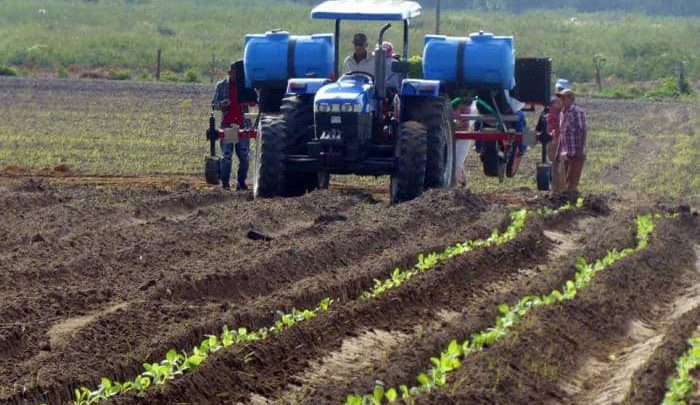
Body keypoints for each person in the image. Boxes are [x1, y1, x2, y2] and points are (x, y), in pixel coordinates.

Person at [211, 63, 249, 190]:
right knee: (226, 156)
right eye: (235, 73)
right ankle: (225, 184)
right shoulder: (221, 86)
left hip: (243, 125)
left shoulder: (246, 86)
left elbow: (255, 101)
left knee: (244, 156)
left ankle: (241, 183)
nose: (237, 76)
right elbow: (214, 104)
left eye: (240, 74)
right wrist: (223, 104)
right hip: (228, 125)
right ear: (230, 73)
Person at [556, 88, 587, 198]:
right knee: (564, 180)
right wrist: (558, 151)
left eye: (563, 98)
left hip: (576, 152)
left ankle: (572, 205)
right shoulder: (562, 113)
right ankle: (566, 202)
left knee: (573, 180)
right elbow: (562, 133)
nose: (561, 100)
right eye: (560, 98)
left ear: (570, 99)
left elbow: (583, 131)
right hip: (566, 152)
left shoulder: (577, 112)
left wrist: (580, 149)